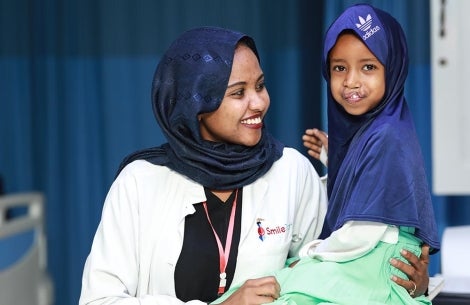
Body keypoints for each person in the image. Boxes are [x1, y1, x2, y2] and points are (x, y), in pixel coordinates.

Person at [79, 25, 431, 305]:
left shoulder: (291, 171)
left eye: (260, 86)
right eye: (237, 93)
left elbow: (333, 279)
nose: (258, 103)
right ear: (194, 104)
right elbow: (101, 300)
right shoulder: (140, 183)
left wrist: (404, 283)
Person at [214, 4, 440, 305]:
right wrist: (340, 163)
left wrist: (311, 255)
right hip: (361, 259)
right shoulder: (376, 132)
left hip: (365, 263)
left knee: (284, 292)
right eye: (339, 68)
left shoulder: (385, 135)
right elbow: (371, 193)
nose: (351, 81)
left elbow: (366, 229)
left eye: (368, 67)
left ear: (394, 67)